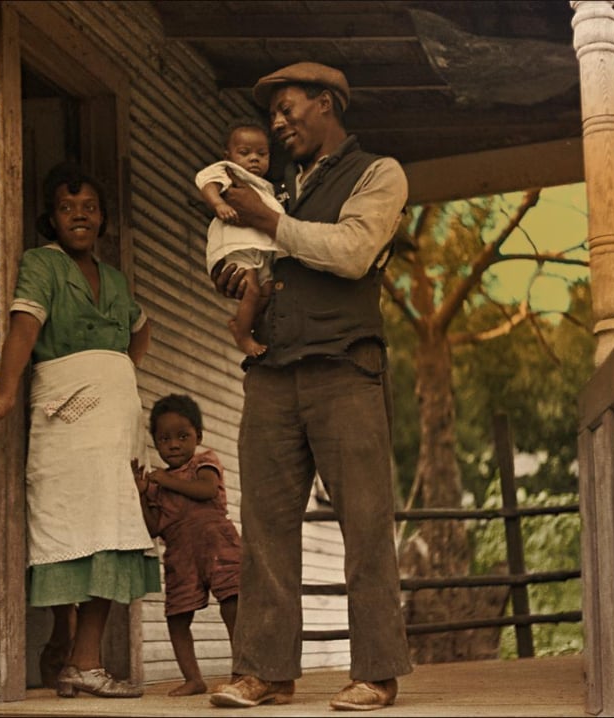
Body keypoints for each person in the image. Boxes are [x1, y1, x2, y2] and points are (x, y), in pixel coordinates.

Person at [206, 62, 413, 711]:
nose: (276, 123)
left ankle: (376, 672)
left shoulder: (378, 173)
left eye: (288, 108)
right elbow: (252, 249)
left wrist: (269, 224)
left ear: (326, 103)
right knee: (264, 526)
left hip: (345, 368)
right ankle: (265, 671)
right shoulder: (271, 184)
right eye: (271, 114)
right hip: (272, 371)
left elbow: (352, 252)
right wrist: (235, 276)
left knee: (365, 523)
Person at [0, 162, 158, 699]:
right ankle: (73, 653)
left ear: (103, 219)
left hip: (115, 418)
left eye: (90, 208)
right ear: (50, 218)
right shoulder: (42, 264)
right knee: (69, 528)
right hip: (66, 414)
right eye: (67, 208)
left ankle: (83, 661)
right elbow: (25, 327)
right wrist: (5, 393)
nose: (79, 216)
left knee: (113, 529)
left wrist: (117, 370)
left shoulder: (114, 279)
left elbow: (141, 329)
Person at [131, 394, 242, 697]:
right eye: (164, 439)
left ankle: (242, 671)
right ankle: (193, 678)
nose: (174, 445)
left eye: (183, 436)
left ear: (198, 437)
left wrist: (164, 481)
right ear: (156, 442)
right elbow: (154, 527)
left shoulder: (204, 462)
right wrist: (142, 495)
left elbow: (206, 490)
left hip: (217, 543)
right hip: (180, 554)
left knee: (233, 603)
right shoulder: (155, 486)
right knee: (177, 616)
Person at [196, 119, 284, 357]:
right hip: (237, 244)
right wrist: (218, 204)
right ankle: (243, 336)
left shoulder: (265, 187)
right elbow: (208, 183)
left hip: (259, 249)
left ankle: (242, 324)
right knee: (251, 290)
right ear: (228, 155)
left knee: (266, 291)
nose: (254, 159)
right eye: (245, 153)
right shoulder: (229, 171)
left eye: (261, 154)